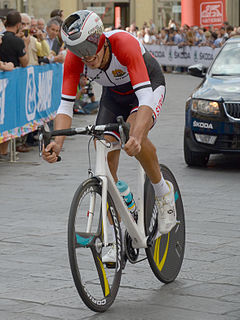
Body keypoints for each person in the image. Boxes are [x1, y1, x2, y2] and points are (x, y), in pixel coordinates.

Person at [42, 10, 177, 263]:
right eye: (78, 50)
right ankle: (115, 226)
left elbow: (146, 97)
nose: (86, 56)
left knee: (134, 133)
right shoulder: (74, 58)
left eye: (88, 47)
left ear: (100, 38)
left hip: (146, 88)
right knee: (102, 153)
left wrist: (136, 135)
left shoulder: (122, 44)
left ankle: (162, 193)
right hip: (113, 97)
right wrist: (57, 142)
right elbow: (65, 105)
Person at [0, 10, 29, 157]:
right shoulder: (18, 41)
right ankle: (4, 150)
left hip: (7, 81)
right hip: (11, 84)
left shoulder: (4, 37)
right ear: (18, 25)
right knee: (8, 116)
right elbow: (25, 62)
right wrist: (26, 44)